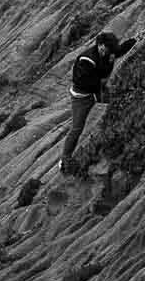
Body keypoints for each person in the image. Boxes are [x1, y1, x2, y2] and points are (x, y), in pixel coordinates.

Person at [59, 30, 137, 174]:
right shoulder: (87, 59)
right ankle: (65, 158)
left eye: (109, 51)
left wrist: (134, 41)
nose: (106, 53)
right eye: (104, 49)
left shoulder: (110, 52)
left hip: (98, 91)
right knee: (77, 128)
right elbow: (79, 81)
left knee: (121, 101)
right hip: (82, 97)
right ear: (100, 45)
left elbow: (119, 51)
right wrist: (100, 83)